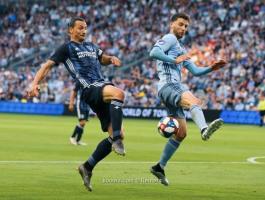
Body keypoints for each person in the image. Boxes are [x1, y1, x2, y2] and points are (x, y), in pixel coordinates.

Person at [28, 17, 126, 191]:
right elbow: (47, 66)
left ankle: (87, 167)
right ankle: (117, 140)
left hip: (100, 86)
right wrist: (34, 83)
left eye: (85, 28)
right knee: (119, 93)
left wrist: (111, 59)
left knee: (116, 133)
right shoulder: (66, 48)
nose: (84, 31)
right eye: (80, 28)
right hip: (89, 88)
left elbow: (102, 58)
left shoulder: (92, 46)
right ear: (70, 30)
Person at [149, 13, 227, 186]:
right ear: (172, 24)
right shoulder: (169, 38)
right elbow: (153, 52)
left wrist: (211, 68)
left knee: (181, 133)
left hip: (168, 89)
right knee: (194, 102)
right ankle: (204, 129)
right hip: (169, 85)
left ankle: (159, 167)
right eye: (181, 24)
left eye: (186, 26)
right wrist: (174, 60)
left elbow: (196, 71)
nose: (184, 28)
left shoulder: (181, 48)